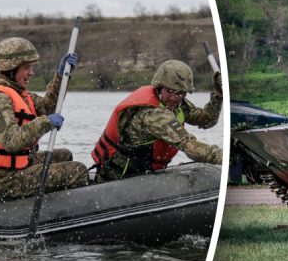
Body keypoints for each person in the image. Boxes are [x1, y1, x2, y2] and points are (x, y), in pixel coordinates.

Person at [0, 37, 89, 199]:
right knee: (77, 171)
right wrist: (46, 122)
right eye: (26, 68)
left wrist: (60, 77)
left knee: (64, 155)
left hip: (15, 167)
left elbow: (47, 107)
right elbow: (11, 140)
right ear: (11, 69)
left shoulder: (17, 92)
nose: (31, 73)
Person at [91, 59, 222, 182]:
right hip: (120, 178)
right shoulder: (153, 115)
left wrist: (218, 96)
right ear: (160, 87)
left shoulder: (178, 105)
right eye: (170, 91)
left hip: (144, 174)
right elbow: (190, 147)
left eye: (180, 93)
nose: (174, 97)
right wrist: (226, 157)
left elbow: (206, 120)